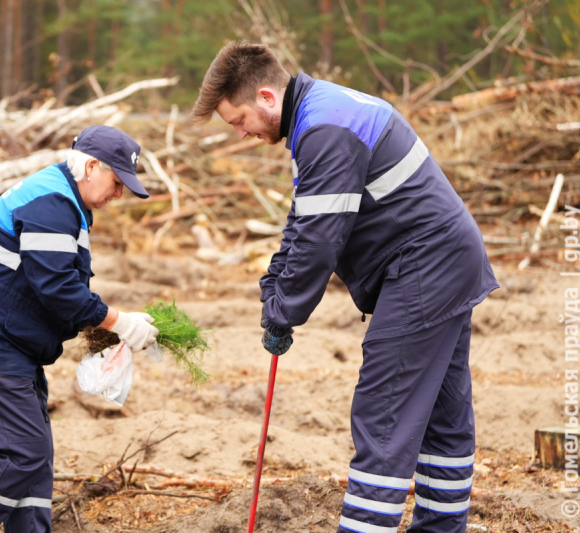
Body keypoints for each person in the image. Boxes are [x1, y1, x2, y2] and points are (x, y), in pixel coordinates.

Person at [192, 42, 499, 533]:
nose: (241, 133)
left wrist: (283, 310)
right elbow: (305, 218)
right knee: (442, 412)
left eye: (239, 119)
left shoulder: (325, 128)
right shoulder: (320, 114)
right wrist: (275, 279)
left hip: (425, 266)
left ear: (267, 97)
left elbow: (320, 241)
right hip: (443, 259)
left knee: (384, 414)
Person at [0, 126, 159, 533]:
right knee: (19, 455)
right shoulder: (52, 203)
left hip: (8, 344)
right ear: (90, 165)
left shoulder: (62, 197)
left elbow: (53, 284)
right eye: (117, 182)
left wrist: (112, 326)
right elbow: (58, 289)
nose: (119, 194)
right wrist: (119, 322)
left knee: (35, 454)